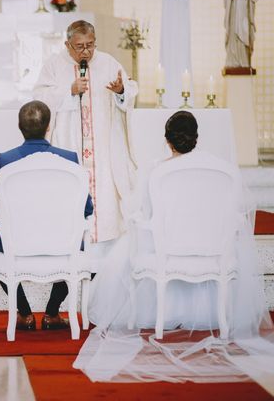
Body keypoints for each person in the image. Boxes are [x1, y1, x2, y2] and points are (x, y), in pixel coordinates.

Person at [74, 111, 274, 383]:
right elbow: (233, 214)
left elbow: (142, 214)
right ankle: (219, 318)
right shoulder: (222, 171)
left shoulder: (158, 171)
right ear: (197, 138)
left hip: (166, 255)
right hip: (213, 254)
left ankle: (151, 316)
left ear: (168, 141)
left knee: (129, 243)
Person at [0, 100, 93, 331]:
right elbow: (87, 209)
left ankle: (24, 314)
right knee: (84, 250)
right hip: (63, 244)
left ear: (19, 127)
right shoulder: (69, 159)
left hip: (16, 244)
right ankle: (52, 313)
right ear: (48, 127)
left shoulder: (6, 160)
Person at [33, 20, 137, 253]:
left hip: (103, 148)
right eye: (80, 46)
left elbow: (130, 91)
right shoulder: (54, 65)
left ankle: (103, 250)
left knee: (106, 197)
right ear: (67, 44)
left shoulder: (108, 62)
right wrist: (68, 91)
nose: (87, 51)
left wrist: (121, 91)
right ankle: (72, 246)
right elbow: (40, 97)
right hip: (68, 143)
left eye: (90, 45)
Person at [217, 0, 259, 68]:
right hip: (234, 14)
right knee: (234, 36)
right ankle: (234, 61)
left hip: (245, 13)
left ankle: (245, 61)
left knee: (245, 34)